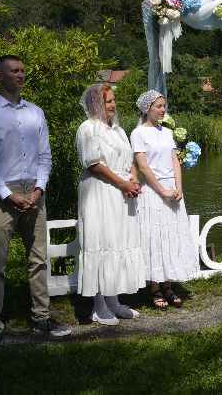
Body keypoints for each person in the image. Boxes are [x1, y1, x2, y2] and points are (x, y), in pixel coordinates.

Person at [0, 55, 71, 351]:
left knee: (38, 260)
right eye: (14, 71)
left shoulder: (35, 113)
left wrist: (38, 191)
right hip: (4, 195)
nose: (21, 75)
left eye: (23, 71)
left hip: (34, 194)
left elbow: (45, 156)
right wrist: (8, 195)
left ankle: (41, 318)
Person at [76, 84, 145, 325]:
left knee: (117, 242)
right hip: (100, 192)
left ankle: (113, 301)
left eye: (114, 100)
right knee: (100, 241)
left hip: (120, 194)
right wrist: (122, 183)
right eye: (108, 102)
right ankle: (98, 306)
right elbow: (93, 164)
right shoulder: (88, 129)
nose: (114, 105)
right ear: (96, 104)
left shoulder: (118, 130)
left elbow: (128, 159)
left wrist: (134, 180)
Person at [131, 90, 199, 310]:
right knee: (155, 238)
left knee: (171, 237)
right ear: (147, 108)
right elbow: (143, 167)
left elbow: (174, 161)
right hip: (153, 191)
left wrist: (178, 187)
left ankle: (168, 285)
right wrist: (162, 191)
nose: (163, 110)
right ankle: (154, 289)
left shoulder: (167, 132)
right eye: (159, 106)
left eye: (164, 106)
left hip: (171, 188)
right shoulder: (138, 133)